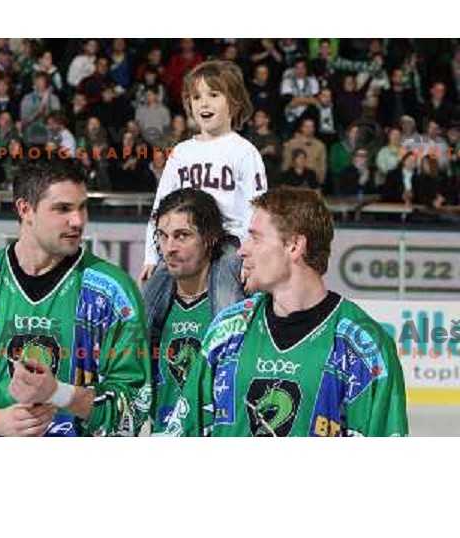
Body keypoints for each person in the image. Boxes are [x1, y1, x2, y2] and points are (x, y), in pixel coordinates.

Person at [0, 156, 151, 437]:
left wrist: (60, 394)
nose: (77, 220)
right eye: (62, 209)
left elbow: (135, 404)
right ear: (25, 209)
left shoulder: (115, 294)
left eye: (82, 207)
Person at [164, 187, 408, 437]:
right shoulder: (227, 330)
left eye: (255, 237)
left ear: (294, 245)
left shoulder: (365, 348)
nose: (241, 250)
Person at [140, 60, 266, 342]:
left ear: (233, 102)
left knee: (226, 303)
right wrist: (151, 254)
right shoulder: (182, 152)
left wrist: (250, 256)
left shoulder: (245, 152)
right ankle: (139, 379)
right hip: (182, 239)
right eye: (196, 97)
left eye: (213, 94)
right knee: (145, 307)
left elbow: (257, 210)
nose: (203, 103)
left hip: (227, 240)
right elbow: (160, 207)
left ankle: (227, 369)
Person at [147, 188, 244, 433]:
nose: (169, 248)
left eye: (182, 236)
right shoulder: (150, 307)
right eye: (163, 236)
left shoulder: (240, 310)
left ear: (210, 237)